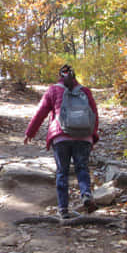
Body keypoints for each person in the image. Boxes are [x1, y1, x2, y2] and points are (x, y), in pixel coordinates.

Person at [24, 64, 99, 219]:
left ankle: (63, 209)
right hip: (83, 136)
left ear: (59, 76)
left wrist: (30, 132)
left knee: (62, 172)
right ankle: (86, 195)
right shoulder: (85, 92)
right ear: (75, 76)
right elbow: (94, 116)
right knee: (82, 168)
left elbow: (41, 113)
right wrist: (92, 136)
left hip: (60, 137)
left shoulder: (53, 90)